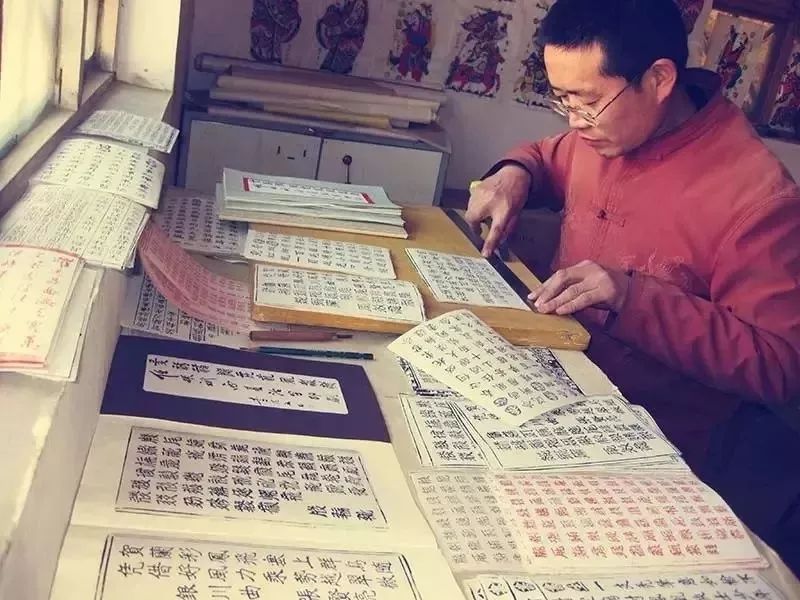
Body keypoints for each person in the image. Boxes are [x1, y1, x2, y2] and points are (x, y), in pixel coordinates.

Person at [466, 0, 800, 574]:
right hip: (554, 393)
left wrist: (631, 298)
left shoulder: (758, 198)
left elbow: (780, 364)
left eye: (588, 101)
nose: (575, 121)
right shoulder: (606, 132)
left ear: (660, 79)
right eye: (562, 99)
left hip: (659, 455)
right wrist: (514, 173)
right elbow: (546, 155)